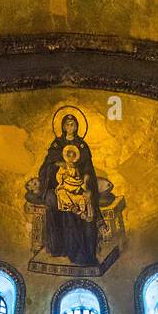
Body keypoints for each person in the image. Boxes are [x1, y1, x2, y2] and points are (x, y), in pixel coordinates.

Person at [35, 113, 103, 265]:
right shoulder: (57, 144)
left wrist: (86, 181)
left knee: (87, 203)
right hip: (60, 186)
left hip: (79, 186)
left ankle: (87, 251)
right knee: (58, 203)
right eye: (67, 124)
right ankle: (64, 247)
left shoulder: (82, 146)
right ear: (63, 126)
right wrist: (61, 165)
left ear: (77, 126)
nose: (70, 127)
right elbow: (47, 166)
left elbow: (88, 168)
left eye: (73, 125)